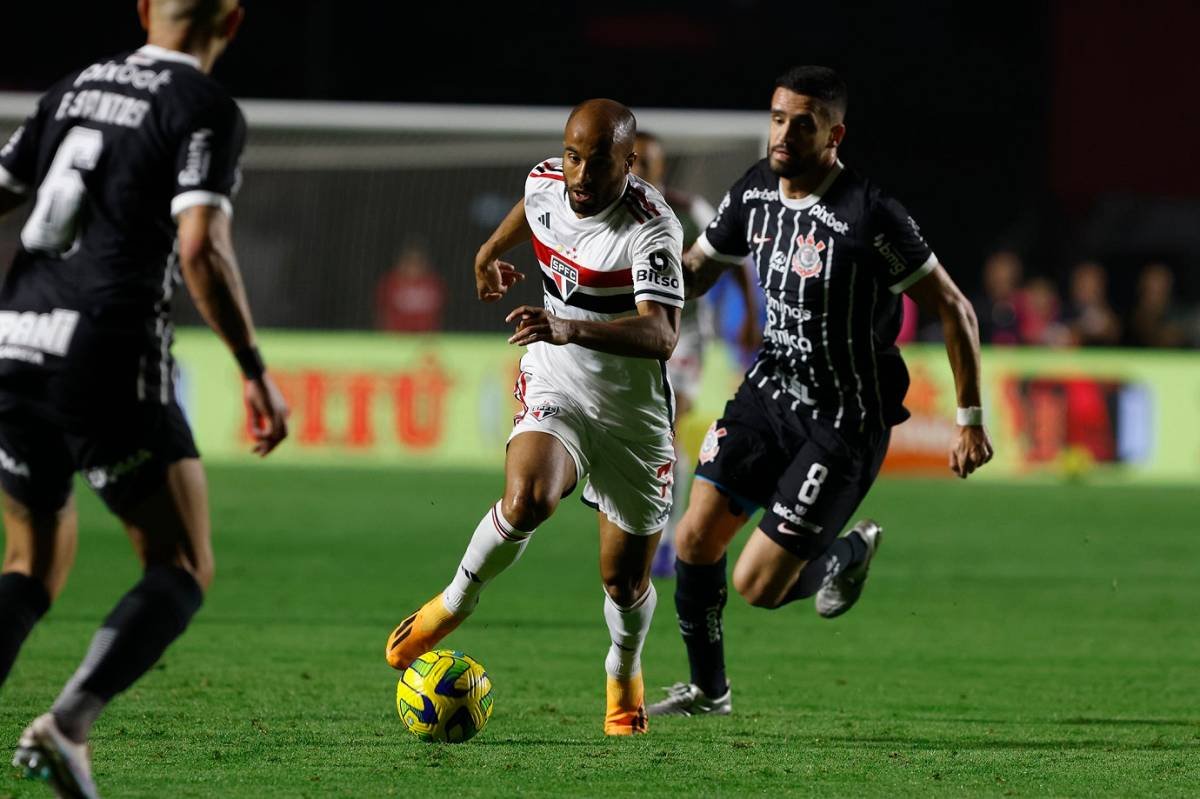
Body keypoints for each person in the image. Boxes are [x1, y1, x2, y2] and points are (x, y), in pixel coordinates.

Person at [0, 1, 289, 794]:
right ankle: (66, 724)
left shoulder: (71, 88)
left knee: (27, 566)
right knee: (182, 560)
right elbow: (198, 245)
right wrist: (253, 366)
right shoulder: (202, 106)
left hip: (14, 339)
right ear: (233, 22)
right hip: (105, 348)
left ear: (141, 11)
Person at [647, 66, 993, 717]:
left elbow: (955, 308)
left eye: (801, 122)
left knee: (756, 585)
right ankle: (708, 690)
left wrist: (969, 418)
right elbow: (697, 273)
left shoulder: (871, 214)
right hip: (770, 393)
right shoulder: (754, 191)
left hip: (844, 420)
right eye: (778, 117)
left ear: (835, 134)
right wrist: (630, 275)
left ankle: (844, 550)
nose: (783, 133)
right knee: (694, 542)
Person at [383, 99, 684, 736]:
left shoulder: (651, 227)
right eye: (573, 156)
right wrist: (487, 249)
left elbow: (661, 335)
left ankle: (623, 670)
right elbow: (535, 207)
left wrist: (570, 325)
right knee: (527, 499)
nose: (579, 173)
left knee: (624, 582)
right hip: (558, 379)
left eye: (597, 162)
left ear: (628, 164)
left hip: (633, 417)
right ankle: (452, 603)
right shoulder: (548, 181)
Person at [629, 131, 759, 578]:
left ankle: (664, 542)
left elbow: (736, 255)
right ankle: (640, 529)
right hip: (630, 332)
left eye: (645, 162)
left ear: (661, 168)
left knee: (667, 425)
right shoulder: (612, 210)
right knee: (641, 432)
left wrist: (749, 318)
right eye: (631, 161)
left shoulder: (688, 209)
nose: (636, 170)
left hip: (685, 332)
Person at [374, 241, 447, 332]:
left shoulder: (434, 283)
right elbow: (380, 314)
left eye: (418, 260)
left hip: (426, 341)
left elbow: (440, 315)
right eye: (409, 260)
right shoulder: (390, 282)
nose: (413, 265)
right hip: (396, 339)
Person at [1063, 261, 1120, 347]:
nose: (1088, 289)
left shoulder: (1110, 310)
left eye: (1092, 285)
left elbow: (1113, 332)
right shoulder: (1063, 310)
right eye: (1083, 284)